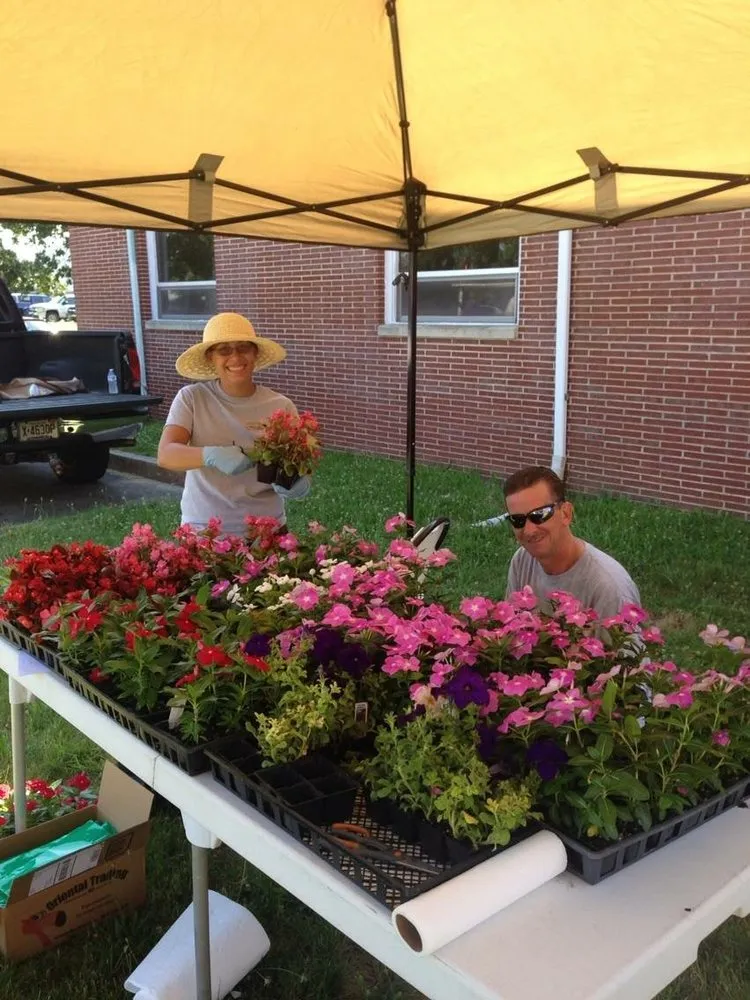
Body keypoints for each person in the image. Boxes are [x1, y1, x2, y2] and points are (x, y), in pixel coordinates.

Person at [157, 312, 310, 536]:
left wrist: (296, 482)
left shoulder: (281, 406)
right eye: (224, 350)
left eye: (243, 348)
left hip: (267, 531)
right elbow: (166, 454)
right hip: (205, 531)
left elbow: (297, 465)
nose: (235, 357)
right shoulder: (192, 398)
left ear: (255, 353)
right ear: (210, 357)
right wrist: (210, 455)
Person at [503, 465, 640, 619]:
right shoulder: (522, 560)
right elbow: (510, 626)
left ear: (566, 513)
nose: (529, 530)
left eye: (539, 515)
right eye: (517, 520)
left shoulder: (608, 587)